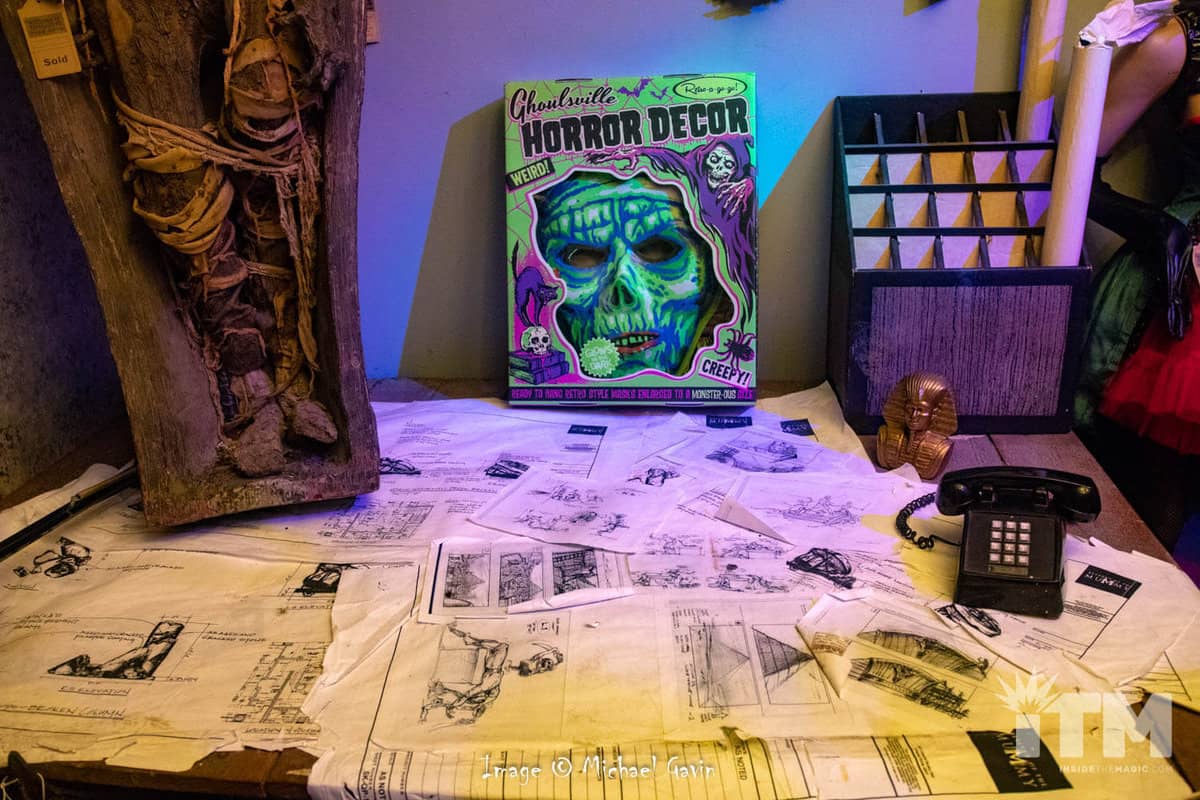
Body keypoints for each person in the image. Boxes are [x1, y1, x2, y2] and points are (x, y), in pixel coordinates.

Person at [1075, 5, 1200, 546]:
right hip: (1180, 291)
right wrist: (1157, 228)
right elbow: (1072, 167)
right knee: (1152, 523)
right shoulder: (1179, 42)